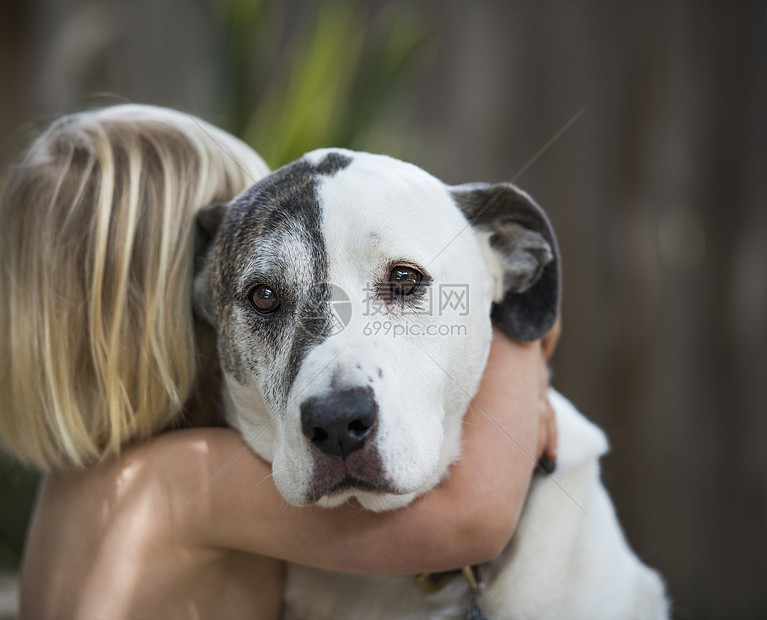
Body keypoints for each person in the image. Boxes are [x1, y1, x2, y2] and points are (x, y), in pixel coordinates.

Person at [0, 104, 558, 619]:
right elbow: (470, 522)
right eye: (264, 297)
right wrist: (521, 343)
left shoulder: (78, 485)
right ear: (188, 305)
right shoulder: (176, 480)